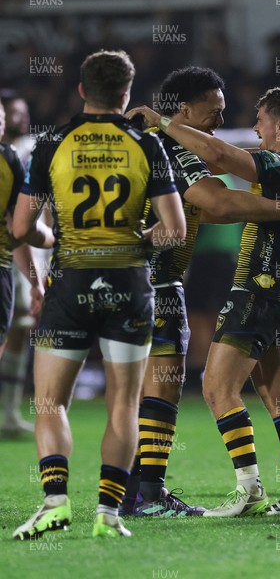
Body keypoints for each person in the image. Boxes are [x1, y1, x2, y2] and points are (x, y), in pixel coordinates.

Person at [126, 85, 280, 517]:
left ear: (278, 124)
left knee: (217, 389)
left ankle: (249, 489)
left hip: (258, 289)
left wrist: (165, 124)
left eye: (258, 120)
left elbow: (221, 161)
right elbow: (218, 203)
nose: (250, 127)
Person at [12, 50, 186, 540]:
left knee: (50, 403)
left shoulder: (53, 142)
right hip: (131, 284)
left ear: (82, 89)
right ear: (127, 94)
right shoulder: (146, 143)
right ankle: (108, 515)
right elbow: (173, 230)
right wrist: (135, 241)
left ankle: (55, 502)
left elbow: (23, 227)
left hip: (71, 282)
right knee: (124, 405)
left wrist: (57, 239)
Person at [0, 90, 38, 436]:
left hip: (18, 252)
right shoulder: (14, 155)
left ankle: (8, 413)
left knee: (20, 325)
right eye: (14, 111)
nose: (20, 117)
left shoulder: (24, 152)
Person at [0, 99, 44, 364]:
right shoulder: (9, 158)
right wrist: (54, 237)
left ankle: (12, 404)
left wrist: (35, 281)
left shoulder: (10, 158)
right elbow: (21, 229)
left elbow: (19, 230)